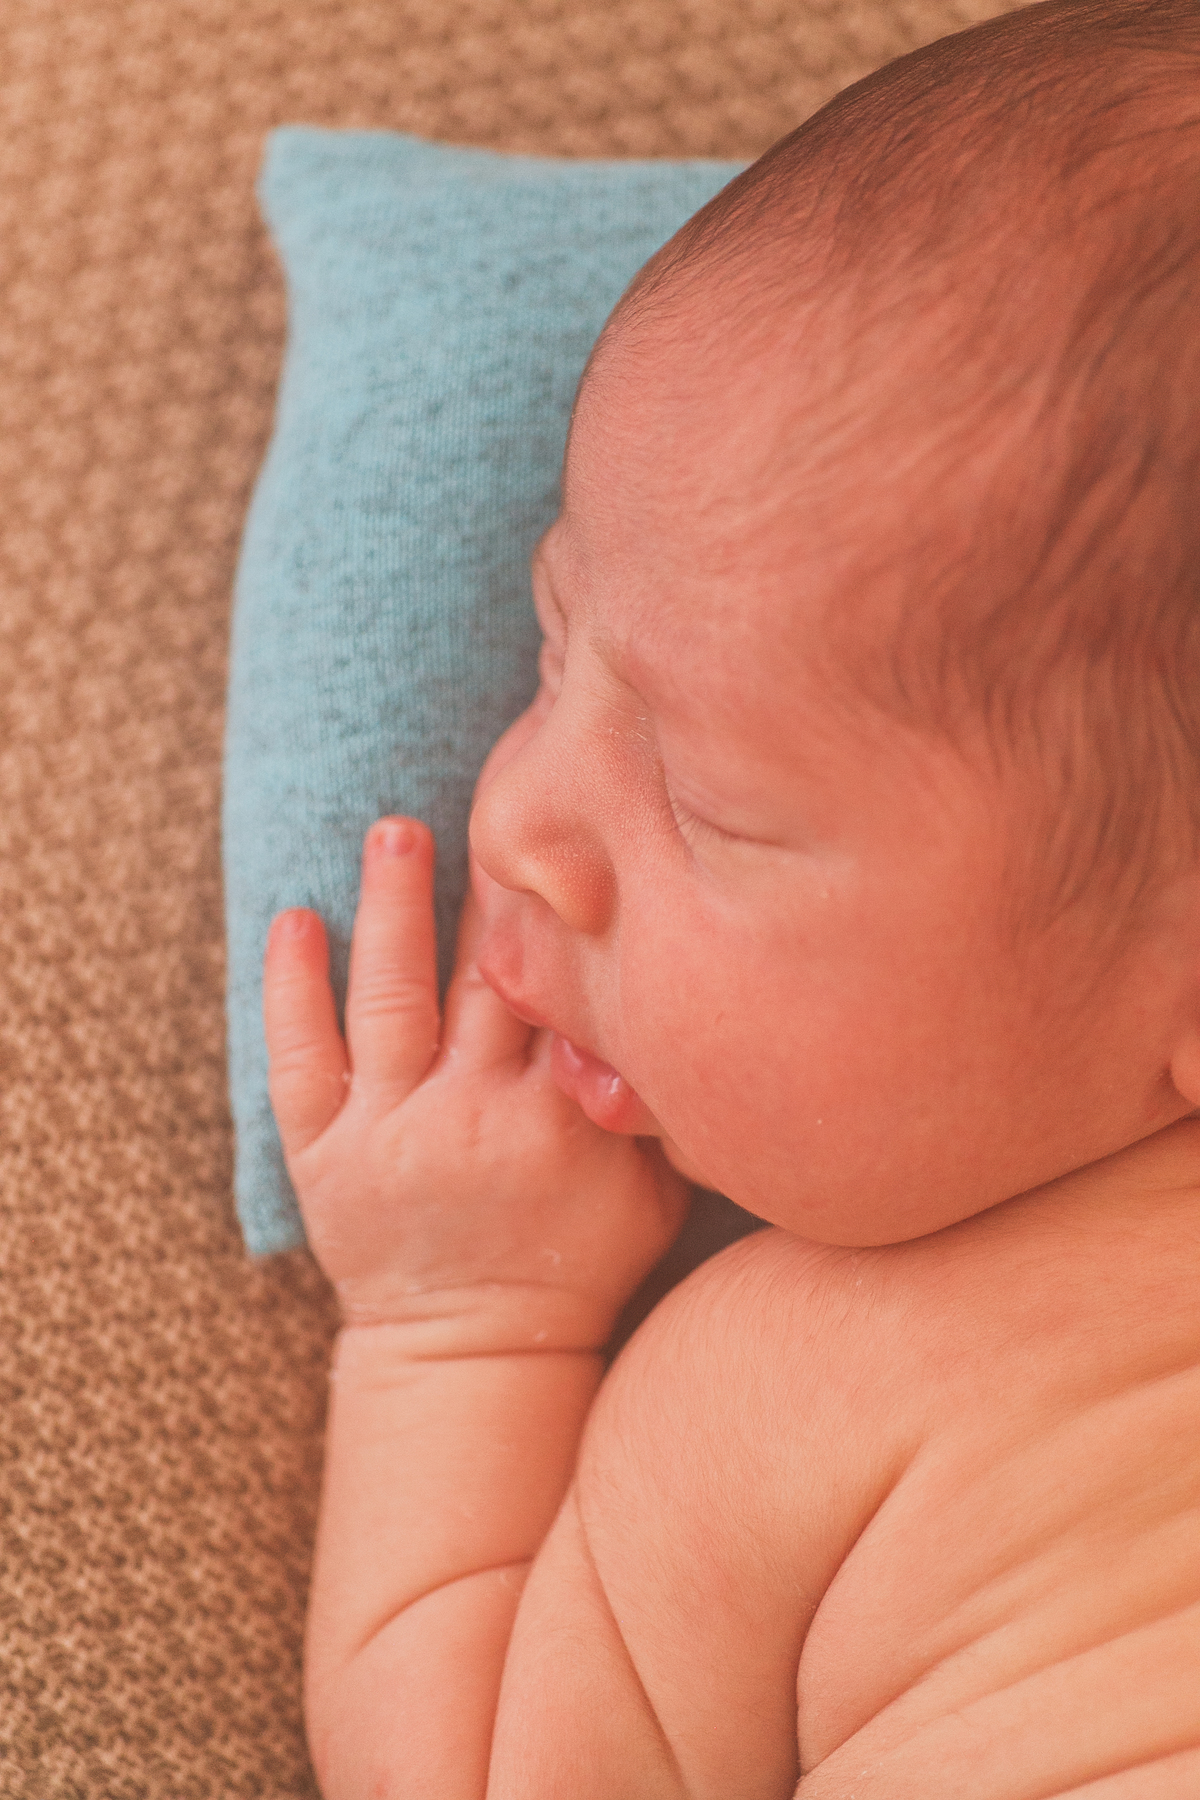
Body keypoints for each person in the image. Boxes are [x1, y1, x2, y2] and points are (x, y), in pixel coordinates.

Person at [260, 2, 1200, 1792]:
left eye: (708, 806)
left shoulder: (796, 1384)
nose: (518, 821)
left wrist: (467, 1323)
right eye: (553, 646)